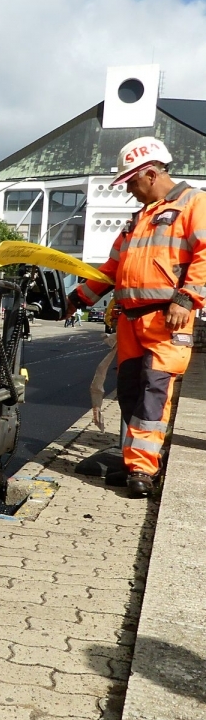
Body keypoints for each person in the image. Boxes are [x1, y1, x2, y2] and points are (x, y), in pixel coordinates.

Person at [66, 137, 206, 498]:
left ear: (149, 173)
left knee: (152, 395)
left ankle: (142, 472)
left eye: (130, 182)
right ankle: (135, 462)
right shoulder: (138, 218)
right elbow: (112, 269)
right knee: (129, 393)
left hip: (167, 320)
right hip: (131, 322)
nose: (129, 189)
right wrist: (78, 298)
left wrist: (186, 300)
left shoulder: (195, 203)